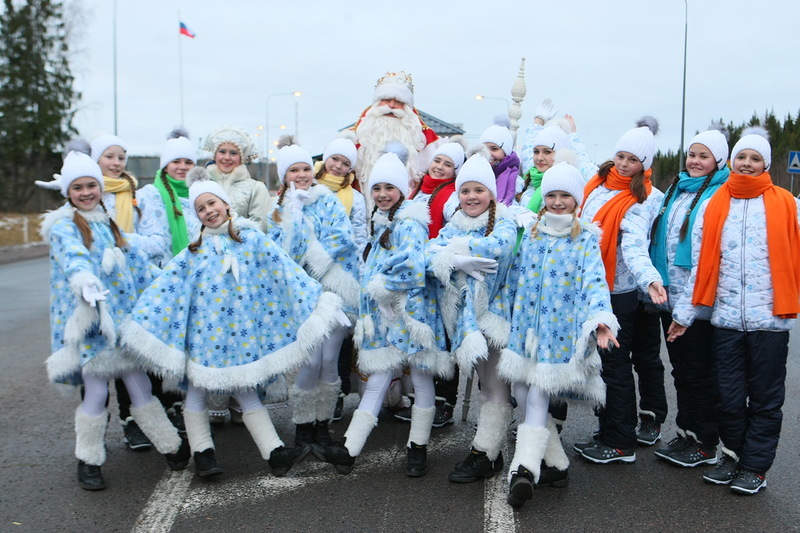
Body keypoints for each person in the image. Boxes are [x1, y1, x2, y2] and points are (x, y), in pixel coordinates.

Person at [120, 167, 348, 479]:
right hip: (203, 337)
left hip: (238, 336)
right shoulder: (194, 251)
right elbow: (167, 284)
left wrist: (321, 300)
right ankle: (203, 453)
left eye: (212, 203)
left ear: (226, 204)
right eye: (200, 208)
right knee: (197, 391)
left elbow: (284, 270)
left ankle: (274, 452)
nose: (208, 211)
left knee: (245, 388)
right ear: (196, 215)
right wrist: (142, 317)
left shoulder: (251, 238)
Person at [41, 146, 190, 490]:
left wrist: (163, 277)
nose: (86, 193)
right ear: (68, 193)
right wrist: (85, 282)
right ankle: (88, 461)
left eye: (90, 186)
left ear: (99, 187)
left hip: (121, 323)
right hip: (92, 326)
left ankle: (170, 446)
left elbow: (132, 261)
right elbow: (74, 259)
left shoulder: (107, 222)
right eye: (77, 188)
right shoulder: (64, 227)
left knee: (140, 387)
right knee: (95, 395)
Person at [669, 128, 800, 495]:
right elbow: (698, 265)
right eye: (742, 157)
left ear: (766, 165)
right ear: (732, 161)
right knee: (726, 395)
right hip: (725, 319)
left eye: (755, 159)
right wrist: (683, 314)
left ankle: (754, 467)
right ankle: (735, 453)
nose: (747, 163)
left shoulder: (787, 203)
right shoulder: (713, 204)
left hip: (769, 322)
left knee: (764, 399)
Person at [320, 148, 450, 477]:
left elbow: (413, 269)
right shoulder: (383, 220)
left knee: (421, 380)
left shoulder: (409, 222)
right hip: (387, 318)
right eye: (376, 188)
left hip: (411, 316)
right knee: (378, 380)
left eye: (388, 188)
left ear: (401, 190)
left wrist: (380, 286)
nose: (381, 194)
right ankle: (349, 449)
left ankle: (417, 448)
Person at [499, 160, 619, 508]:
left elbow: (595, 285)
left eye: (564, 195)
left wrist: (600, 320)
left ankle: (523, 471)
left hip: (557, 338)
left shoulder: (584, 240)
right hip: (524, 333)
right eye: (550, 194)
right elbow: (513, 276)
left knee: (536, 395)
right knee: (520, 390)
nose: (556, 202)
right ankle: (558, 465)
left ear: (576, 200)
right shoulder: (532, 235)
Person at [573, 118, 667, 464]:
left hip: (618, 293)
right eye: (621, 156)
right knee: (601, 365)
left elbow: (635, 247)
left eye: (633, 160)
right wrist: (571, 133)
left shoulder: (644, 198)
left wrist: (649, 280)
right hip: (590, 287)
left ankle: (621, 441)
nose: (625, 165)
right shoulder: (598, 184)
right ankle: (609, 428)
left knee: (615, 366)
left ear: (645, 164)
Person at [426, 154, 518, 483]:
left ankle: (484, 453)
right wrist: (454, 254)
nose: (472, 197)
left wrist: (455, 251)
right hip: (467, 321)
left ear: (491, 194)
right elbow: (428, 251)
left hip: (496, 316)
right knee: (488, 384)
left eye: (479, 190)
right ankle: (491, 453)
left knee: (496, 387)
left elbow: (496, 248)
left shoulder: (504, 223)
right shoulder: (454, 224)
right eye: (465, 191)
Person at [268, 139, 360, 453]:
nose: (302, 174)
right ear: (285, 176)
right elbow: (281, 255)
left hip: (334, 291)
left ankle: (323, 425)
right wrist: (292, 216)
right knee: (310, 361)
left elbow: (343, 236)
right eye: (294, 170)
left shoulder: (327, 199)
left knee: (330, 360)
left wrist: (317, 259)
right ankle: (303, 425)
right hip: (303, 297)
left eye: (306, 168)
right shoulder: (278, 211)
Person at [648, 127, 730, 467]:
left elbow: (707, 257)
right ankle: (687, 433)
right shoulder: (677, 189)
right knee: (681, 370)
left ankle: (706, 441)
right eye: (692, 154)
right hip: (672, 297)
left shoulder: (720, 196)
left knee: (699, 372)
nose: (695, 161)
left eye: (703, 156)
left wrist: (687, 308)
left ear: (718, 161)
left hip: (698, 303)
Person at [202, 125, 272, 424]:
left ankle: (245, 392)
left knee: (243, 330)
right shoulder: (202, 184)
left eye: (233, 153)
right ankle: (216, 395)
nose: (227, 157)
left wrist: (231, 233)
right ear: (214, 154)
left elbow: (260, 224)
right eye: (222, 152)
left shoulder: (254, 187)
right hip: (209, 269)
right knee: (214, 330)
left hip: (243, 269)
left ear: (242, 156)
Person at [313, 135, 367, 418]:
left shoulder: (355, 198)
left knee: (332, 349)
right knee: (311, 349)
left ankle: (330, 399)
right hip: (309, 278)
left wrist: (352, 278)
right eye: (334, 158)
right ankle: (308, 402)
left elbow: (359, 238)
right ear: (325, 158)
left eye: (345, 163)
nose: (337, 166)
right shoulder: (307, 187)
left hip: (339, 278)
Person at [351, 71, 440, 210]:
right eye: (386, 99)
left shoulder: (424, 139)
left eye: (399, 102)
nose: (391, 106)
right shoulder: (358, 134)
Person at [479, 117, 520, 207]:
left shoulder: (516, 180)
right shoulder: (475, 174)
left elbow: (515, 205)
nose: (489, 154)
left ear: (506, 152)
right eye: (485, 148)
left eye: (494, 149)